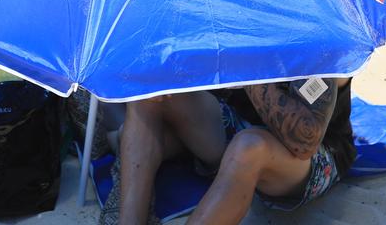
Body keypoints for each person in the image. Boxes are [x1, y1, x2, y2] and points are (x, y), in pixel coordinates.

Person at [118, 77, 355, 224]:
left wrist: (251, 69)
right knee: (147, 97)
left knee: (248, 148)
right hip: (240, 122)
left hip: (308, 156)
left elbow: (304, 144)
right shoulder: (239, 8)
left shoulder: (318, 33)